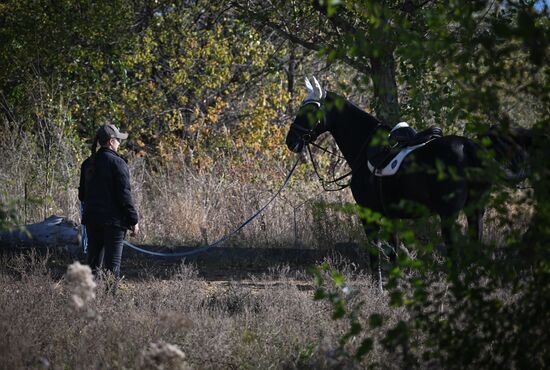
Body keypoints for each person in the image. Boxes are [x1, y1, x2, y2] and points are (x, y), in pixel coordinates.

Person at [78, 124, 139, 281]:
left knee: (92, 266)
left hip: (92, 221)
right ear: (111, 141)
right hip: (114, 223)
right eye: (118, 140)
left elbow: (82, 195)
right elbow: (125, 195)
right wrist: (134, 220)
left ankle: (88, 301)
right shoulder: (118, 163)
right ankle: (109, 302)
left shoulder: (87, 164)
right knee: (112, 267)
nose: (119, 143)